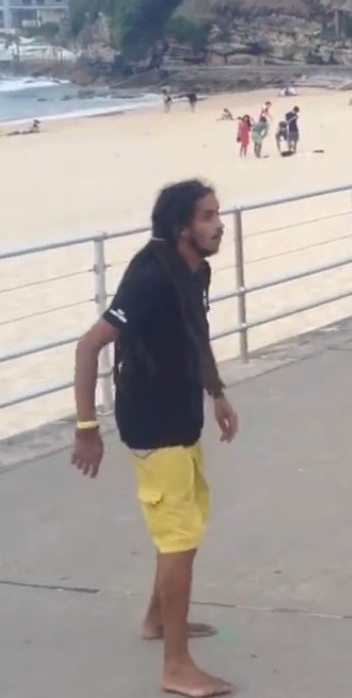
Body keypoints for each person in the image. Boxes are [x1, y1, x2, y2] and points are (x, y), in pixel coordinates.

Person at [70, 179, 239, 698]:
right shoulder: (151, 277)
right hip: (152, 422)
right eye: (208, 216)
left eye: (218, 214)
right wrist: (86, 429)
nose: (219, 224)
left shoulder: (195, 269)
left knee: (187, 522)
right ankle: (175, 666)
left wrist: (217, 393)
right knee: (179, 537)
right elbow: (88, 345)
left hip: (182, 413)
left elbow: (195, 332)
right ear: (180, 226)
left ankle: (156, 617)